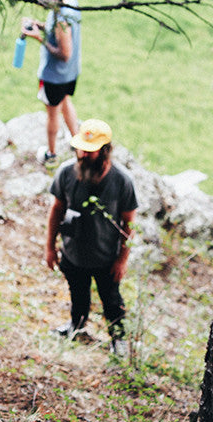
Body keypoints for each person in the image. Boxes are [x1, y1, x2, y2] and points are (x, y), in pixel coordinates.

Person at [44, 119, 137, 354]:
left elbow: (129, 223)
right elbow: (56, 210)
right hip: (73, 253)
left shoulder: (122, 181)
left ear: (105, 151)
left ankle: (119, 340)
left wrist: (122, 259)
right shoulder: (66, 172)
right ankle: (76, 326)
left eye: (90, 151)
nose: (83, 154)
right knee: (78, 293)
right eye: (80, 149)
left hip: (106, 257)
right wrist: (50, 247)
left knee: (112, 300)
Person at [21, 0, 82, 163]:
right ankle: (79, 144)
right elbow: (59, 32)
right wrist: (39, 25)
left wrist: (38, 38)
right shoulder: (70, 4)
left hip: (55, 77)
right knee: (65, 101)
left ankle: (51, 154)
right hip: (70, 72)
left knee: (53, 114)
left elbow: (64, 53)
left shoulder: (61, 17)